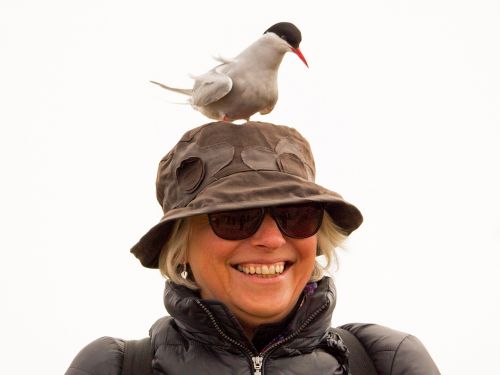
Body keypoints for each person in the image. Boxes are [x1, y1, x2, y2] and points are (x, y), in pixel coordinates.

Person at [66, 121, 440, 374]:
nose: (272, 239)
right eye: (234, 218)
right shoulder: (114, 368)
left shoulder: (385, 361)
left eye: (294, 215)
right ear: (178, 247)